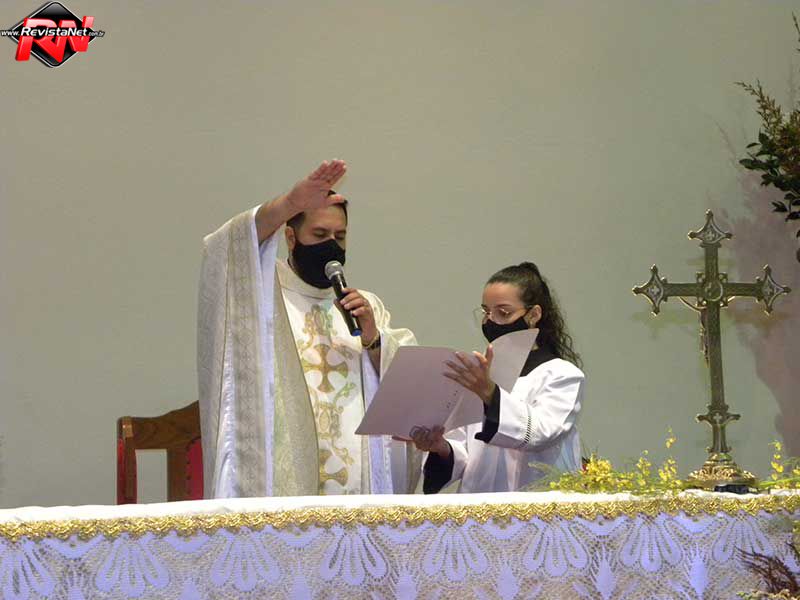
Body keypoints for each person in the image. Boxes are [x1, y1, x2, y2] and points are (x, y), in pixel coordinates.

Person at [198, 160, 420, 498]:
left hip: (358, 490)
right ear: (290, 237)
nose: (331, 245)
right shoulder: (262, 298)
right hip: (285, 486)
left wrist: (374, 340)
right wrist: (289, 204)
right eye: (319, 235)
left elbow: (408, 391)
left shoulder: (365, 307)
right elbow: (228, 250)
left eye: (339, 237)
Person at [411, 262, 585, 493]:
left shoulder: (562, 374)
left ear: (534, 315)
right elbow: (465, 450)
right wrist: (441, 448)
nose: (491, 321)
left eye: (503, 313)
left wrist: (490, 395)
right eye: (486, 312)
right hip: (479, 505)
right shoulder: (478, 374)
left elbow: (542, 433)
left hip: (536, 505)